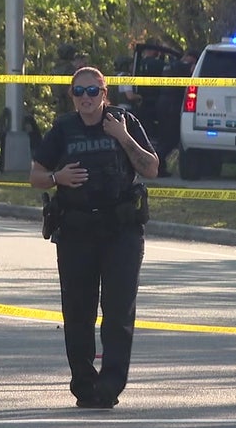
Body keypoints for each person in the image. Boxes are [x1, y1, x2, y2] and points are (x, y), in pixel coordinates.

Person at [29, 66, 159, 409]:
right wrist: (58, 178)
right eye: (79, 92)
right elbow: (36, 175)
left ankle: (110, 386)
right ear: (72, 95)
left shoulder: (123, 122)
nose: (85, 98)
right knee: (78, 312)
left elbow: (150, 168)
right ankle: (84, 386)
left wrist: (122, 137)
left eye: (93, 92)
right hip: (76, 231)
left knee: (117, 312)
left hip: (121, 231)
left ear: (105, 94)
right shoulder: (63, 129)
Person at [154, 47, 199, 177]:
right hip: (172, 105)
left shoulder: (169, 65)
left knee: (164, 138)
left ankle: (158, 167)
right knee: (171, 139)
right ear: (191, 58)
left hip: (163, 102)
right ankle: (157, 165)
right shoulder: (185, 66)